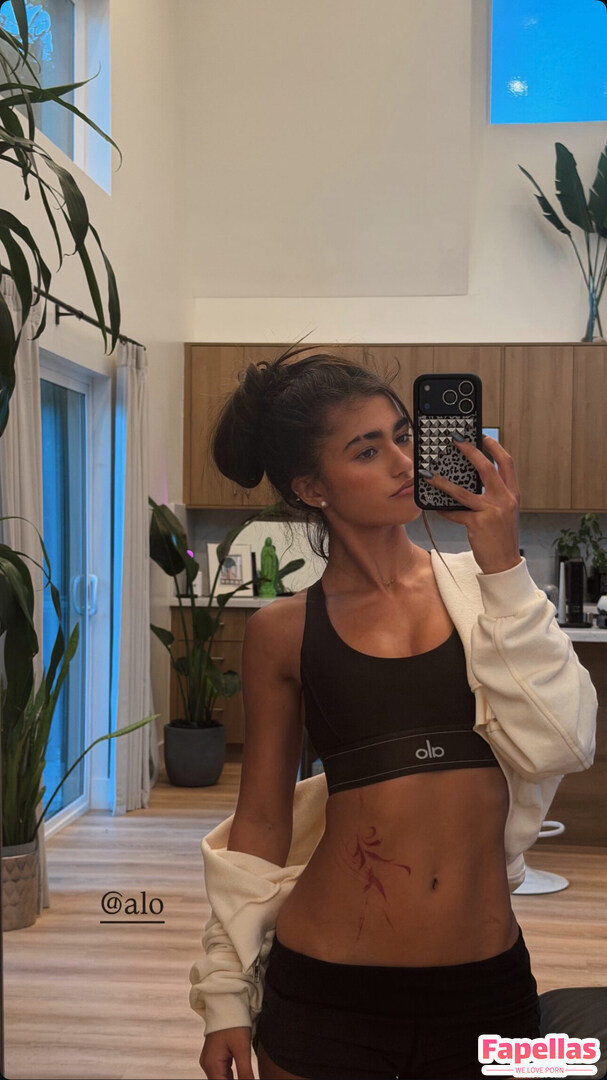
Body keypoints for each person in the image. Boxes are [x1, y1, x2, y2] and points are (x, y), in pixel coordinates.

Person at [189, 347, 597, 1080]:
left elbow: (566, 741)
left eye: (403, 436)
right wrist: (225, 993)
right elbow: (260, 823)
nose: (404, 462)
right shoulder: (282, 631)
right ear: (311, 487)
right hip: (327, 989)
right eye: (367, 450)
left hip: (484, 985)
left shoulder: (488, 589)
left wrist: (504, 565)